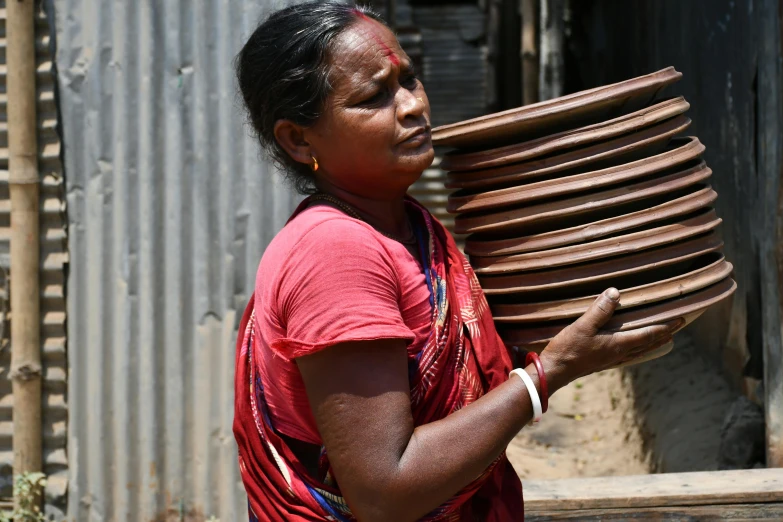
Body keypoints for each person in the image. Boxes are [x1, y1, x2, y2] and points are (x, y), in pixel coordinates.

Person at [232, 3, 678, 521]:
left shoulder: (411, 229)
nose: (412, 105)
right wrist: (549, 374)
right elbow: (383, 491)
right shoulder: (337, 253)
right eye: (374, 97)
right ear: (297, 138)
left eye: (409, 79)